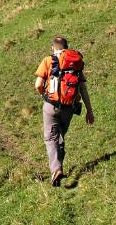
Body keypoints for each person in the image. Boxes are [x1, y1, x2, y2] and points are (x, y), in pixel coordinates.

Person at [34, 35, 94, 186]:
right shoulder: (75, 63)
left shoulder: (48, 60)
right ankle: (58, 167)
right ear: (66, 47)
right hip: (68, 107)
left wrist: (44, 96)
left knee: (51, 138)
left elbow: (38, 84)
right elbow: (82, 88)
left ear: (53, 47)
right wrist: (89, 110)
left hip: (51, 105)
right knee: (59, 136)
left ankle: (56, 169)